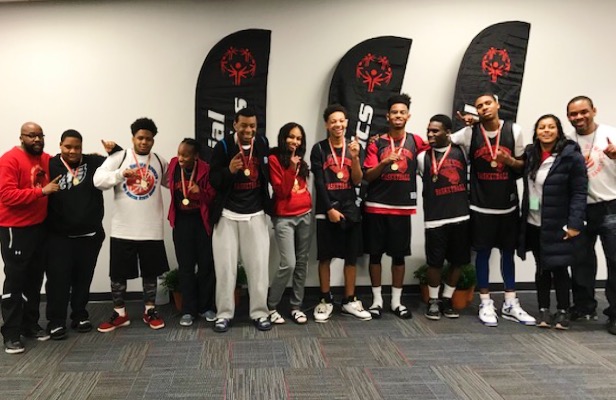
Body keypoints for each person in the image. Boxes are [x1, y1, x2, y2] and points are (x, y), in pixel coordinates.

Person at [454, 93, 535, 327]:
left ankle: (510, 302)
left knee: (508, 254)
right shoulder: (470, 133)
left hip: (507, 206)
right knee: (483, 254)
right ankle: (485, 302)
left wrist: (508, 161)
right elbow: (443, 141)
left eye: (488, 103)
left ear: (497, 105)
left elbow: (521, 168)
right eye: (479, 105)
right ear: (475, 111)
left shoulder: (514, 131)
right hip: (480, 207)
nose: (484, 108)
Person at [93, 117, 169, 332]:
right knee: (118, 274)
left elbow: (173, 182)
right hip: (123, 228)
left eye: (149, 139)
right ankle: (119, 314)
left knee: (151, 273)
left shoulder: (160, 161)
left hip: (151, 228)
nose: (144, 142)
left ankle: (150, 310)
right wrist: (120, 174)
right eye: (140, 138)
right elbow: (98, 181)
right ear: (133, 138)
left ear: (153, 140)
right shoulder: (120, 156)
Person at [45, 130, 120, 339]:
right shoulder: (50, 165)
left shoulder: (94, 162)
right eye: (68, 147)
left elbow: (121, 163)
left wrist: (113, 150)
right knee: (58, 280)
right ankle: (56, 321)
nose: (72, 151)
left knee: (83, 279)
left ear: (82, 146)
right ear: (60, 146)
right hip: (60, 237)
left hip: (90, 235)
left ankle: (79, 315)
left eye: (77, 147)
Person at [518, 114, 587, 330]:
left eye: (550, 127)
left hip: (559, 223)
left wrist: (575, 223)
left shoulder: (570, 156)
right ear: (536, 132)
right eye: (541, 127)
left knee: (559, 267)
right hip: (535, 222)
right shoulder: (531, 154)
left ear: (558, 130)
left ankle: (564, 310)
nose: (546, 131)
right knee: (541, 268)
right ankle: (544, 310)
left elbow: (579, 192)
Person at [362, 94, 428, 319]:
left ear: (408, 116)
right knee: (375, 256)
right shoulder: (376, 142)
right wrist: (384, 161)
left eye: (402, 112)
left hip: (401, 208)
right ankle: (377, 301)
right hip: (376, 206)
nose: (398, 116)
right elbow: (367, 176)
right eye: (394, 112)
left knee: (399, 257)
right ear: (387, 115)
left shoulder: (416, 141)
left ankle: (397, 302)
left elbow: (439, 148)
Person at [209, 107, 272, 333]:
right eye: (244, 125)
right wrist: (229, 170)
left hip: (255, 214)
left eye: (252, 125)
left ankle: (260, 313)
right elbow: (214, 180)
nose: (248, 130)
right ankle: (224, 314)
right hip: (227, 215)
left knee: (258, 268)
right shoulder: (223, 146)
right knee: (225, 269)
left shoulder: (262, 143)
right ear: (235, 125)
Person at [0, 122, 59, 354]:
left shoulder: (44, 158)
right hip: (15, 228)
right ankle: (11, 333)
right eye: (31, 135)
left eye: (40, 136)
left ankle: (30, 324)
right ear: (21, 137)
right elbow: (6, 195)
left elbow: (67, 162)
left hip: (39, 227)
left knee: (34, 279)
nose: (36, 139)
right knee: (15, 280)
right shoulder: (10, 160)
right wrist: (40, 192)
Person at [310, 104, 371, 323]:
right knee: (325, 256)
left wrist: (354, 158)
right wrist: (328, 209)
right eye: (333, 121)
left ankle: (349, 300)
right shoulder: (318, 149)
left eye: (341, 120)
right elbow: (319, 182)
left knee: (351, 258)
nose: (337, 124)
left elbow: (356, 180)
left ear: (346, 123)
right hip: (327, 209)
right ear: (327, 124)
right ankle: (325, 300)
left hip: (349, 208)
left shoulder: (355, 147)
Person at [565, 96, 616, 334]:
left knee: (615, 262)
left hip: (610, 206)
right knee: (580, 260)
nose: (579, 117)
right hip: (579, 208)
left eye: (583, 112)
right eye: (573, 114)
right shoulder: (566, 141)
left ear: (594, 110)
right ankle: (584, 306)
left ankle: (615, 313)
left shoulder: (611, 134)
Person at [417, 115, 471, 321]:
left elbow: (470, 133)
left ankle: (447, 298)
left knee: (458, 262)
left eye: (435, 131)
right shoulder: (423, 158)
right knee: (435, 263)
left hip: (460, 216)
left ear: (448, 132)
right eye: (428, 130)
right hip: (435, 219)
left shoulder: (461, 152)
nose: (430, 134)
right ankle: (433, 301)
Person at [168, 138, 216, 327]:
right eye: (179, 153)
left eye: (185, 155)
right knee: (186, 267)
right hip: (181, 222)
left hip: (201, 221)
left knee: (206, 265)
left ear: (195, 156)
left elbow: (213, 197)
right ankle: (188, 310)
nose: (180, 158)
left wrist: (199, 192)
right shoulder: (173, 165)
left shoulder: (206, 169)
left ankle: (206, 307)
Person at [267, 123, 312, 325]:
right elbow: (282, 192)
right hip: (284, 217)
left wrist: (297, 165)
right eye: (291, 137)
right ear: (283, 137)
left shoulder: (301, 160)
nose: (295, 141)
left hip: (305, 215)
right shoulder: (275, 159)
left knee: (302, 263)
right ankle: (271, 306)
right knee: (289, 263)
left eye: (299, 138)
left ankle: (296, 306)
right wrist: (292, 166)